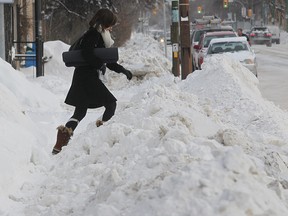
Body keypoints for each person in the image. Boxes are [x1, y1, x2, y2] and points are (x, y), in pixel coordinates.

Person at [52, 8, 133, 154]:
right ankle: (102, 137)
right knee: (111, 104)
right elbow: (87, 53)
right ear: (103, 23)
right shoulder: (93, 34)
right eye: (110, 24)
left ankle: (60, 144)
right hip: (87, 77)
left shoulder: (99, 35)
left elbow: (105, 59)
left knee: (80, 112)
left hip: (84, 76)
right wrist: (99, 65)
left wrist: (122, 70)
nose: (111, 27)